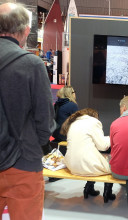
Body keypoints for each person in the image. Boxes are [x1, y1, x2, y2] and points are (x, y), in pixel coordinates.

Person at [0, 3, 55, 220]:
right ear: (25, 31)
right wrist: (36, 145)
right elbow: (45, 119)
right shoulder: (32, 65)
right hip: (23, 162)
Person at [60, 108, 116, 202]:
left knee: (91, 158)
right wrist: (111, 138)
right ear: (95, 116)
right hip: (86, 165)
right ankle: (107, 193)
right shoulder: (94, 122)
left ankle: (88, 188)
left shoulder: (73, 123)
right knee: (112, 163)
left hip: (72, 165)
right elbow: (103, 146)